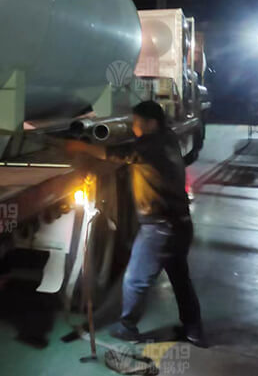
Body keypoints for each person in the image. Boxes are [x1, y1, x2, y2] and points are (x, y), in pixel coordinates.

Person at [68, 100, 205, 347]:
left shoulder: (149, 146)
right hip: (180, 223)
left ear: (151, 122)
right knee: (180, 278)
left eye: (137, 123)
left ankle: (127, 328)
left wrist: (79, 147)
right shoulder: (168, 137)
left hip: (160, 228)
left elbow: (113, 154)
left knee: (135, 279)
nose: (134, 128)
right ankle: (194, 329)